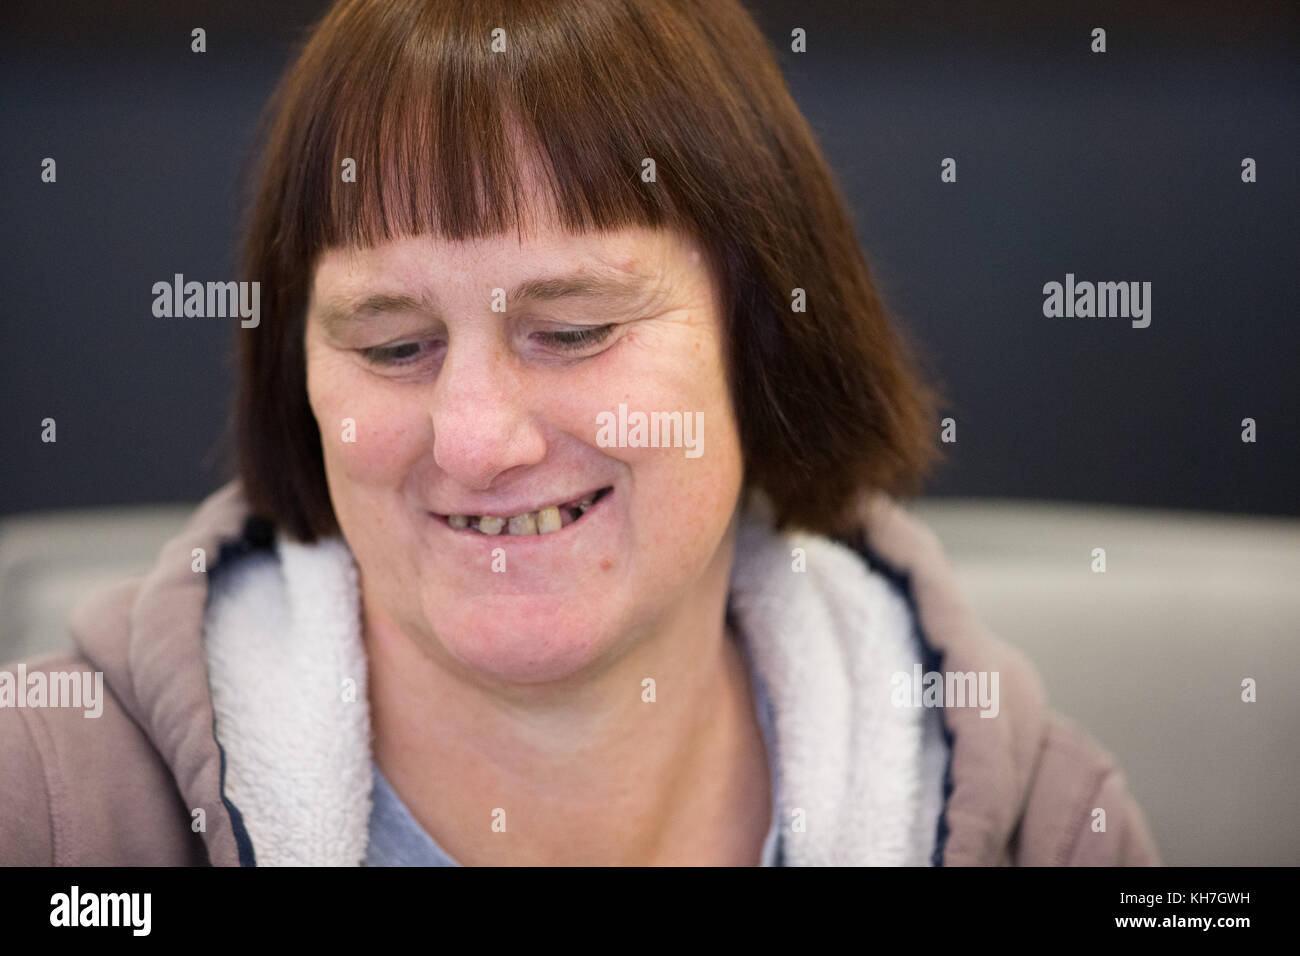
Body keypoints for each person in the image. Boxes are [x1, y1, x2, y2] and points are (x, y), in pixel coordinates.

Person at [0, 0, 1158, 866]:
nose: (475, 439)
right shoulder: (52, 809)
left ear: (763, 341)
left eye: (573, 330)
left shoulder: (1047, 831)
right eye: (394, 346)